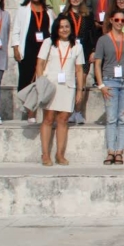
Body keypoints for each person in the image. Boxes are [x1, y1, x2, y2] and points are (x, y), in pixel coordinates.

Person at [35, 15, 85, 166]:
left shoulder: (77, 46)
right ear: (56, 29)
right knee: (48, 118)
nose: (64, 29)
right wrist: (40, 83)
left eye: (67, 26)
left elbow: (79, 69)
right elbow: (40, 63)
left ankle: (59, 154)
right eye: (61, 27)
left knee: (63, 119)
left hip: (68, 86)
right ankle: (45, 155)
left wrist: (80, 90)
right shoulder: (49, 43)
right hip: (50, 85)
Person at [93, 10, 124, 165]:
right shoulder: (103, 40)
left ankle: (119, 151)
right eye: (117, 20)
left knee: (123, 117)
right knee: (112, 118)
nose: (120, 22)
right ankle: (110, 151)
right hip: (110, 81)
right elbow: (98, 63)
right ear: (111, 21)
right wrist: (101, 85)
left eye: (123, 20)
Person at [12, 0, 54, 123]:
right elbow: (16, 30)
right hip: (28, 49)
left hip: (44, 50)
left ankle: (37, 111)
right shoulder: (23, 9)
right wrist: (16, 48)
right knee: (27, 80)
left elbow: (52, 31)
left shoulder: (48, 11)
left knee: (41, 80)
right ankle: (30, 112)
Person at [64, 0, 96, 124]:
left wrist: (93, 50)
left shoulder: (87, 15)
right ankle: (69, 111)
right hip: (69, 51)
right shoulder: (64, 15)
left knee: (81, 81)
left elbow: (92, 34)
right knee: (71, 81)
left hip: (84, 50)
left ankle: (78, 111)